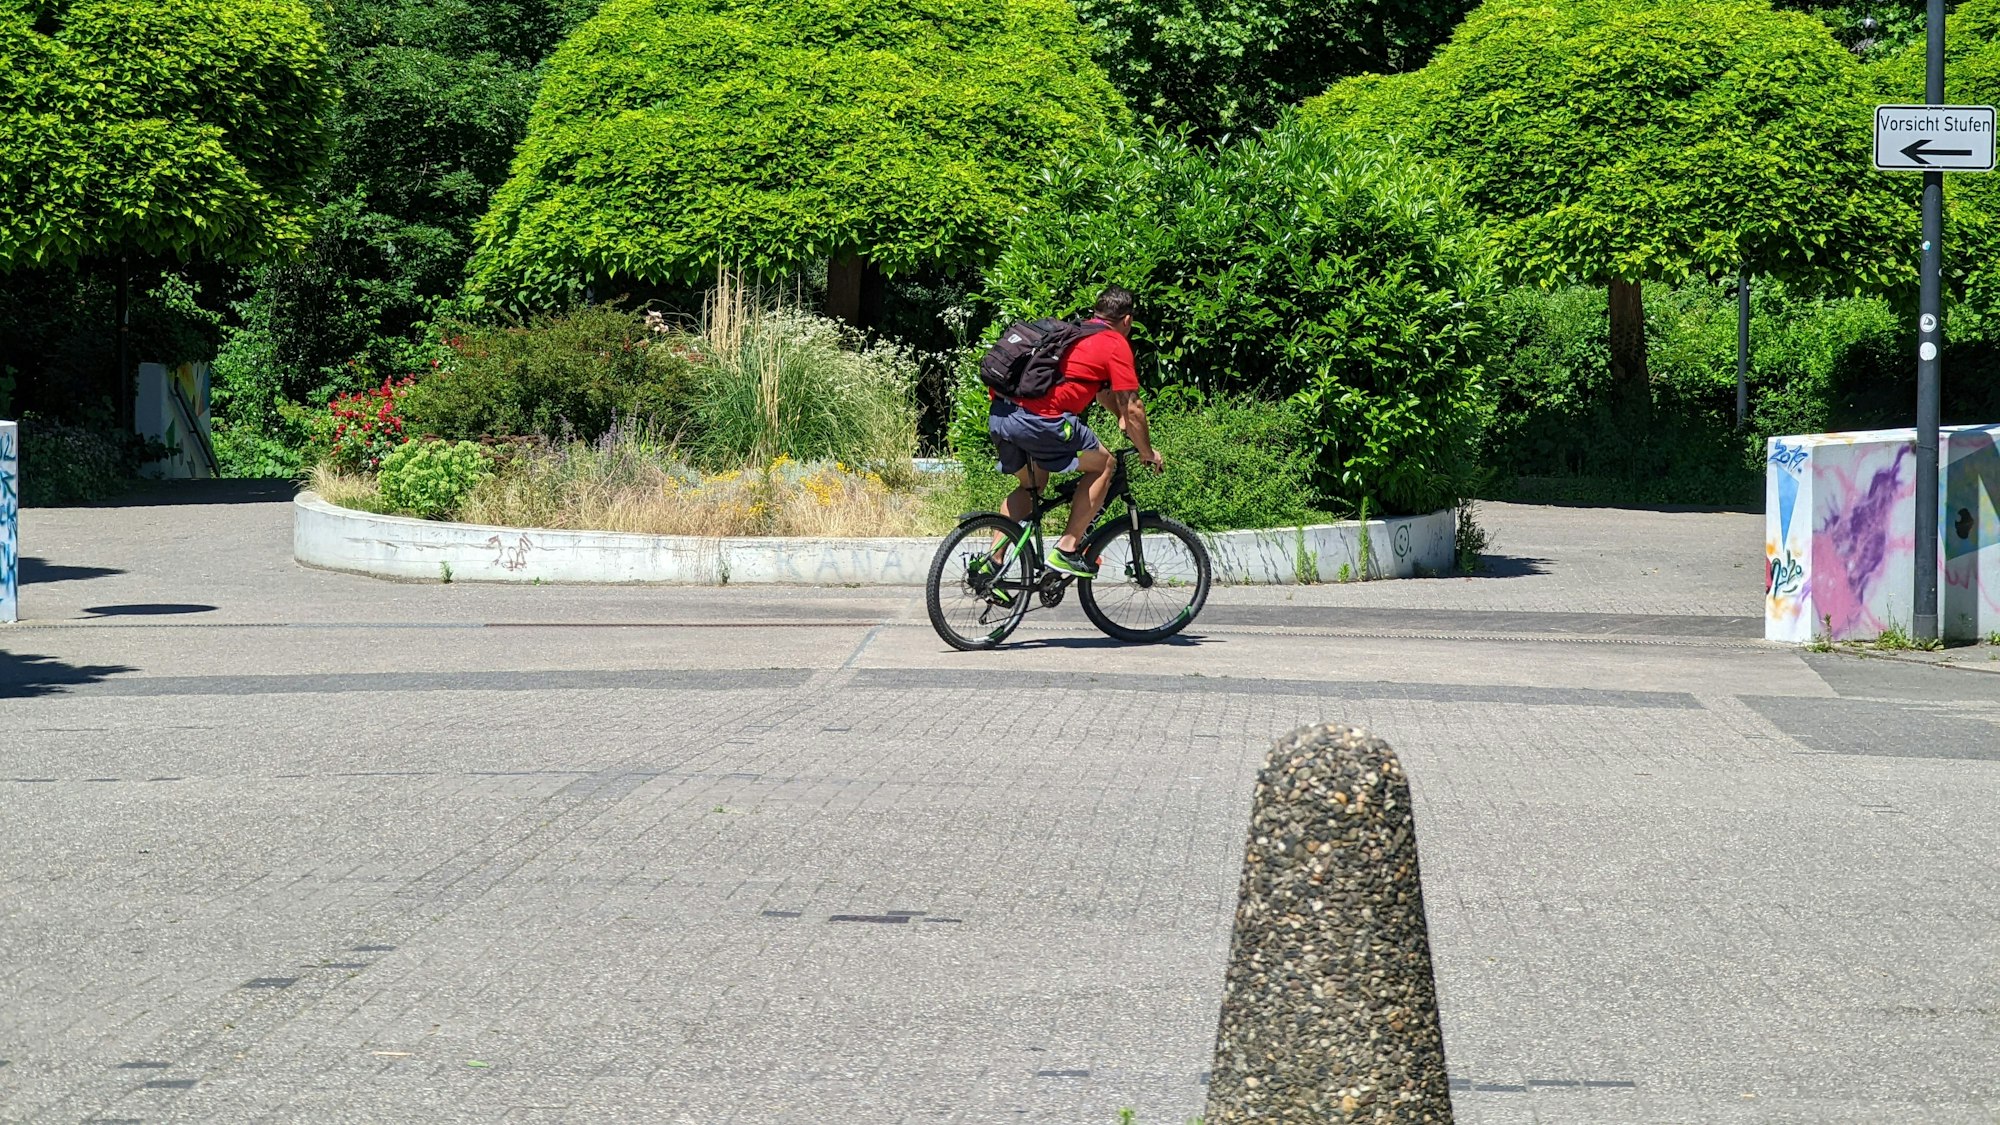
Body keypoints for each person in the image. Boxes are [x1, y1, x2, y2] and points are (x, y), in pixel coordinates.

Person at [986, 285, 1163, 578]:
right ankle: (1067, 550)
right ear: (1127, 320)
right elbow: (1134, 406)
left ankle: (992, 568)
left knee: (1032, 486)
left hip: (1003, 415)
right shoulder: (1114, 343)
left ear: (1097, 312)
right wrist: (1147, 451)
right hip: (1041, 422)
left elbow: (1103, 393)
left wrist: (1120, 416)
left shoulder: (1076, 333)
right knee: (1106, 464)